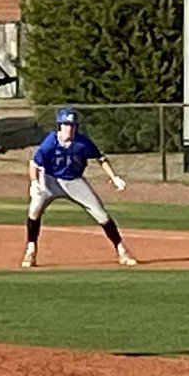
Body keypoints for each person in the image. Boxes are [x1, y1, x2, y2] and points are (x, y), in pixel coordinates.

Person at [21, 107, 137, 268]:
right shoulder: (50, 142)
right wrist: (34, 182)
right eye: (66, 124)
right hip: (50, 180)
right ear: (59, 126)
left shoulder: (82, 143)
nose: (70, 128)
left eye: (73, 125)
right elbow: (34, 164)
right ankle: (30, 251)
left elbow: (101, 159)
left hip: (74, 181)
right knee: (34, 210)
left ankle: (122, 251)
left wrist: (113, 177)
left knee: (101, 214)